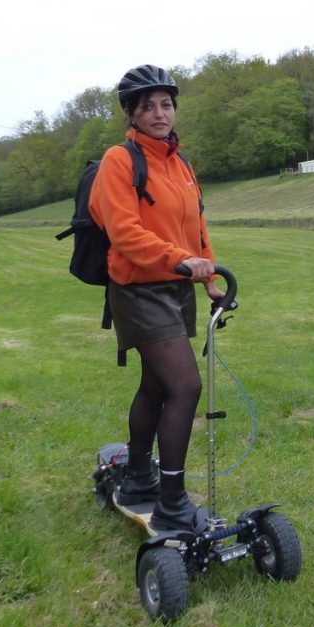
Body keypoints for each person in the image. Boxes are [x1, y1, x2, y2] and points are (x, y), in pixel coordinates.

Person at [90, 64, 223, 531]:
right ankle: (170, 499)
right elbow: (123, 233)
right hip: (137, 289)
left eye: (166, 104)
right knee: (185, 386)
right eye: (147, 105)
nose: (159, 113)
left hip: (175, 285)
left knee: (156, 385)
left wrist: (206, 273)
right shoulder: (119, 161)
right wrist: (179, 260)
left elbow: (196, 224)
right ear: (131, 113)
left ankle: (141, 478)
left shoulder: (180, 162)